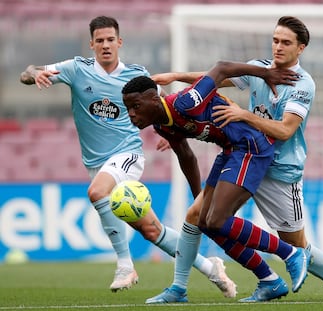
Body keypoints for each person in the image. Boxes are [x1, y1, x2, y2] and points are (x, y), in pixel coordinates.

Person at [19, 15, 236, 295]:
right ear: (92, 44)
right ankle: (212, 268)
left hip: (127, 154)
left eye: (111, 39)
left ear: (119, 42)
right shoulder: (76, 69)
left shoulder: (136, 75)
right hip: (96, 163)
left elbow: (166, 104)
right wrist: (34, 74)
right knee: (152, 231)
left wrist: (174, 134)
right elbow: (28, 71)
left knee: (97, 193)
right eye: (100, 41)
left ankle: (124, 265)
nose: (106, 45)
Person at [151, 15, 323, 301]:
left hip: (280, 170)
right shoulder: (259, 68)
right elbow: (215, 79)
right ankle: (179, 288)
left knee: (296, 243)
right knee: (197, 216)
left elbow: (285, 130)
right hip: (244, 156)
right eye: (275, 40)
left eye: (286, 42)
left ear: (301, 48)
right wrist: (176, 77)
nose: (278, 47)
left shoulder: (303, 84)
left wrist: (244, 115)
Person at [122, 59, 311, 304]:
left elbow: (222, 68)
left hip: (251, 147)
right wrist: (198, 195)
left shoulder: (185, 102)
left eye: (135, 106)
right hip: (231, 150)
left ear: (154, 99)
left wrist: (266, 74)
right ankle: (269, 280)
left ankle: (291, 254)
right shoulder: (161, 124)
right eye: (127, 108)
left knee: (218, 220)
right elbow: (186, 157)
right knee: (205, 222)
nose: (131, 114)